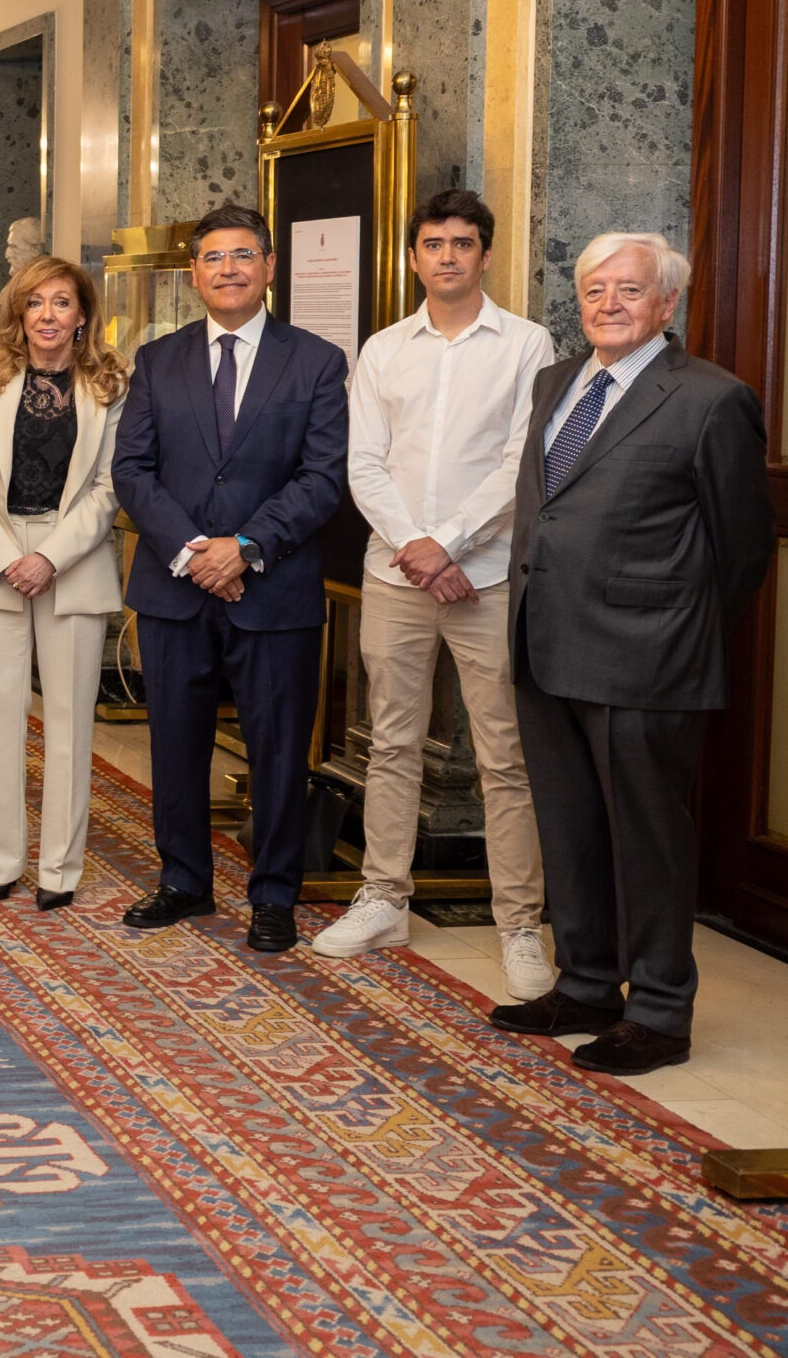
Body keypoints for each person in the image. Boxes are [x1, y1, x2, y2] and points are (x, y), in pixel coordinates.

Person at [488, 231, 771, 1076]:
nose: (608, 303)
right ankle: (584, 983)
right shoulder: (553, 382)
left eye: (629, 289)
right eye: (595, 288)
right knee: (570, 828)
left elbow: (744, 547)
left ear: (667, 303)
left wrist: (675, 634)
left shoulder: (711, 399)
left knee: (647, 838)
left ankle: (657, 1010)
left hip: (648, 660)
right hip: (545, 644)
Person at [316, 189, 554, 997]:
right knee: (391, 744)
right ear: (413, 256)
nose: (447, 255)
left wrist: (446, 544)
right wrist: (419, 552)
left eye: (462, 242)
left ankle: (520, 923)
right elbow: (364, 463)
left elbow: (521, 464)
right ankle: (383, 896)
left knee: (505, 757)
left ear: (486, 253)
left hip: (485, 577)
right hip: (395, 577)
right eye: (432, 243)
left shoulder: (527, 345)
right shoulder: (384, 348)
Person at [111, 204, 348, 953]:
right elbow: (132, 470)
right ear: (193, 273)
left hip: (272, 588)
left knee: (278, 746)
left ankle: (274, 893)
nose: (228, 270)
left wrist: (244, 546)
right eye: (213, 258)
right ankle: (184, 880)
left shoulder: (315, 360)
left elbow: (323, 475)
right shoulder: (157, 359)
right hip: (175, 587)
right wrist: (192, 550)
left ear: (270, 266)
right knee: (175, 742)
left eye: (243, 255)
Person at [0, 255, 128, 909]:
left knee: (69, 721)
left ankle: (59, 866)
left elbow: (110, 487)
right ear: (18, 313)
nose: (47, 315)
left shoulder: (111, 381)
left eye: (61, 303)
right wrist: (7, 557)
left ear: (83, 314)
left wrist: (49, 556)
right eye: (35, 303)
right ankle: (2, 857)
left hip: (72, 558)